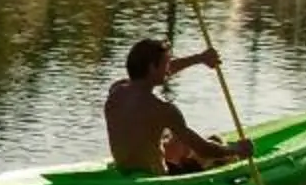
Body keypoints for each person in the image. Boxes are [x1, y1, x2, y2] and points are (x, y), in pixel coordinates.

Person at [107, 37, 254, 176]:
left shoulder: (116, 91)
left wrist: (200, 58)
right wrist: (235, 149)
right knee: (216, 143)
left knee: (175, 140)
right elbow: (203, 149)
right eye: (166, 64)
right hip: (158, 178)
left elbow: (149, 76)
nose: (169, 69)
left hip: (125, 170)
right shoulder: (163, 109)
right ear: (152, 67)